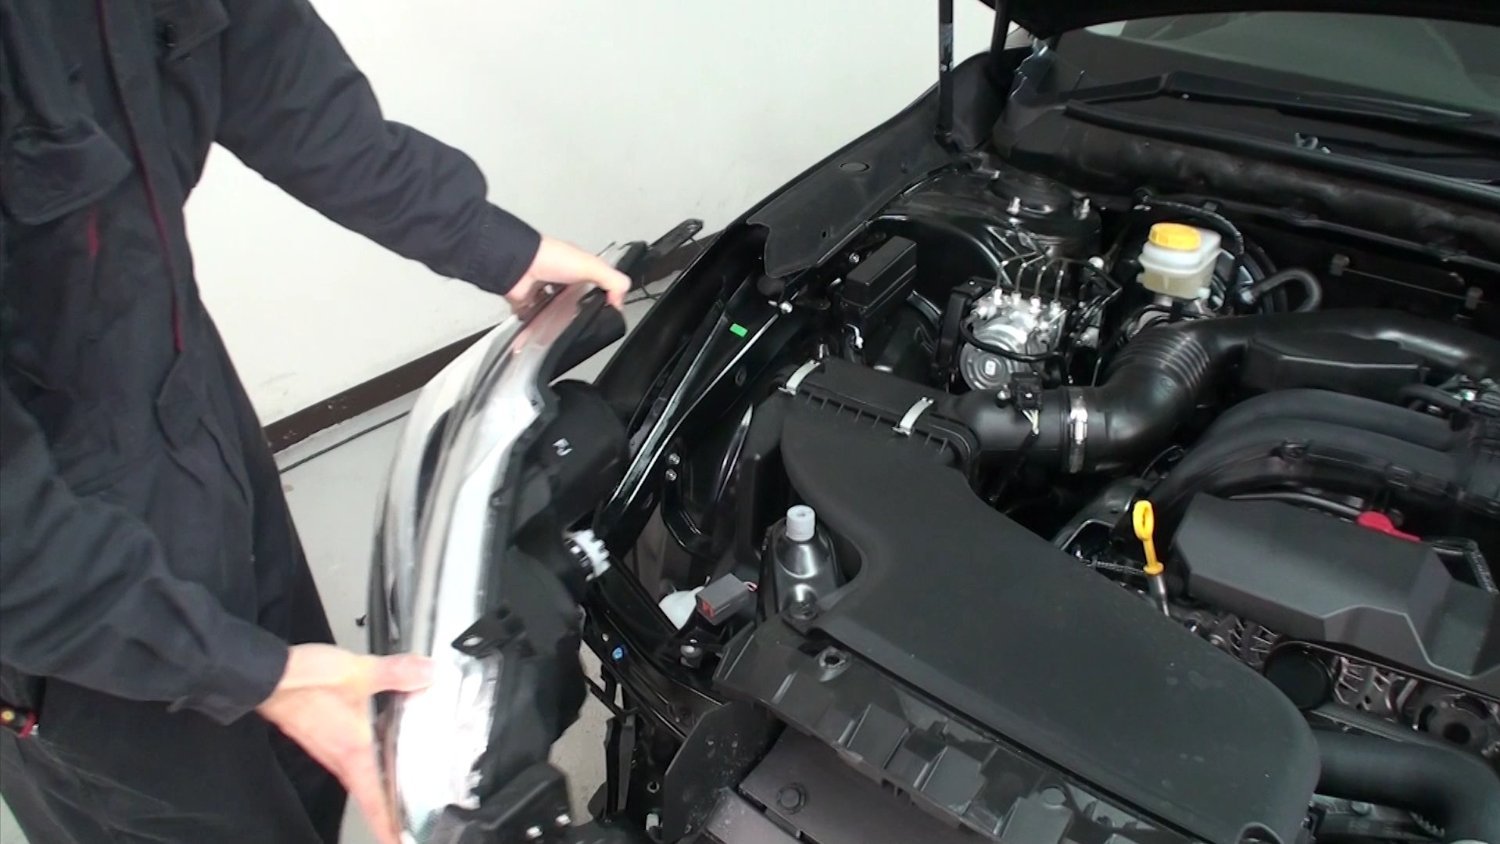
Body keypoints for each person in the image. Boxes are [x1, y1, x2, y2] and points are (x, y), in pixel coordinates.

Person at [0, 1, 628, 842]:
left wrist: (483, 239)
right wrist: (243, 671)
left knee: (308, 760)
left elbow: (263, 57)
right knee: (188, 814)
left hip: (181, 384)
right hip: (48, 547)